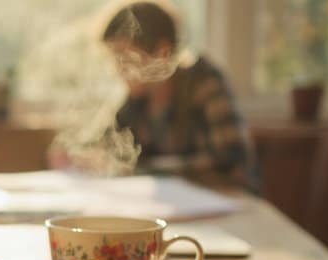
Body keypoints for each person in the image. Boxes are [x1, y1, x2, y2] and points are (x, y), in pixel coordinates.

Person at [100, 1, 254, 187]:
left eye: (125, 57)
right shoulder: (135, 104)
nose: (119, 69)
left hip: (233, 202)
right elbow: (115, 154)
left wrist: (151, 168)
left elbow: (230, 160)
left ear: (162, 52)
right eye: (114, 59)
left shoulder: (203, 84)